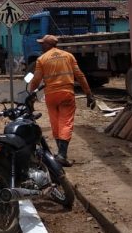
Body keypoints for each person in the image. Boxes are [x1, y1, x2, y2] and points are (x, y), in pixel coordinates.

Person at [27, 34, 95, 167]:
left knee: (55, 122)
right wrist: (89, 94)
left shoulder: (42, 59)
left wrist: (31, 95)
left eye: (43, 44)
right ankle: (62, 155)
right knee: (65, 122)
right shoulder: (68, 56)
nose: (41, 46)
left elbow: (36, 80)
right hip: (66, 94)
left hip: (51, 95)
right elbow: (80, 75)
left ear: (48, 45)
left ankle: (60, 154)